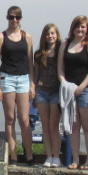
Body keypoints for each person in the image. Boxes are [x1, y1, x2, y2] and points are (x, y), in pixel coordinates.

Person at [0, 6, 35, 165]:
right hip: (7, 78)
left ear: (21, 19)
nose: (14, 20)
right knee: (10, 118)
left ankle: (29, 153)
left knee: (24, 119)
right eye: (11, 17)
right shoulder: (1, 37)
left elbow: (30, 62)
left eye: (17, 17)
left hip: (24, 78)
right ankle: (13, 155)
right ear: (7, 18)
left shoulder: (27, 37)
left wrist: (32, 84)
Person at [57, 15, 88, 170]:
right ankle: (75, 159)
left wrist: (81, 87)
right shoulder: (65, 45)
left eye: (83, 27)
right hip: (69, 90)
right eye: (78, 26)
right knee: (74, 127)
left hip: (86, 89)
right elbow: (60, 68)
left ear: (87, 29)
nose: (80, 29)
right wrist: (64, 82)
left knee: (87, 126)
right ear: (72, 28)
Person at [32, 23, 62, 167]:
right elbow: (36, 74)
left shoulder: (62, 51)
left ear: (57, 35)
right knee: (45, 126)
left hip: (56, 91)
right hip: (42, 91)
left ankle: (56, 156)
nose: (50, 36)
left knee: (54, 125)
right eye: (47, 34)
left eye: (52, 33)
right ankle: (48, 155)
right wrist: (34, 90)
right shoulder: (38, 54)